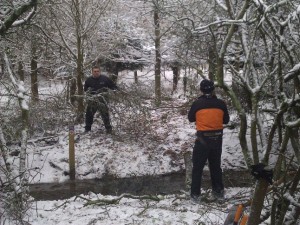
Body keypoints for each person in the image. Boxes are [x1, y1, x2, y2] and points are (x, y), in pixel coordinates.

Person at [188, 79, 229, 203]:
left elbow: (190, 118)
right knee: (216, 167)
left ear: (201, 89)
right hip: (217, 139)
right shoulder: (221, 104)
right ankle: (218, 193)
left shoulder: (197, 104)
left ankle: (195, 195)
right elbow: (226, 120)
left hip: (202, 140)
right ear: (213, 89)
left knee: (198, 168)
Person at [84, 65, 117, 133]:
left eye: (97, 71)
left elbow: (113, 86)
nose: (96, 72)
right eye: (95, 71)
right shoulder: (88, 80)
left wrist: (117, 90)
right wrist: (89, 94)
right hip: (92, 101)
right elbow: (85, 90)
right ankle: (87, 129)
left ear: (100, 71)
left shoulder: (105, 79)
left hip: (103, 100)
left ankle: (108, 129)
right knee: (89, 115)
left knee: (105, 115)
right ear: (92, 72)